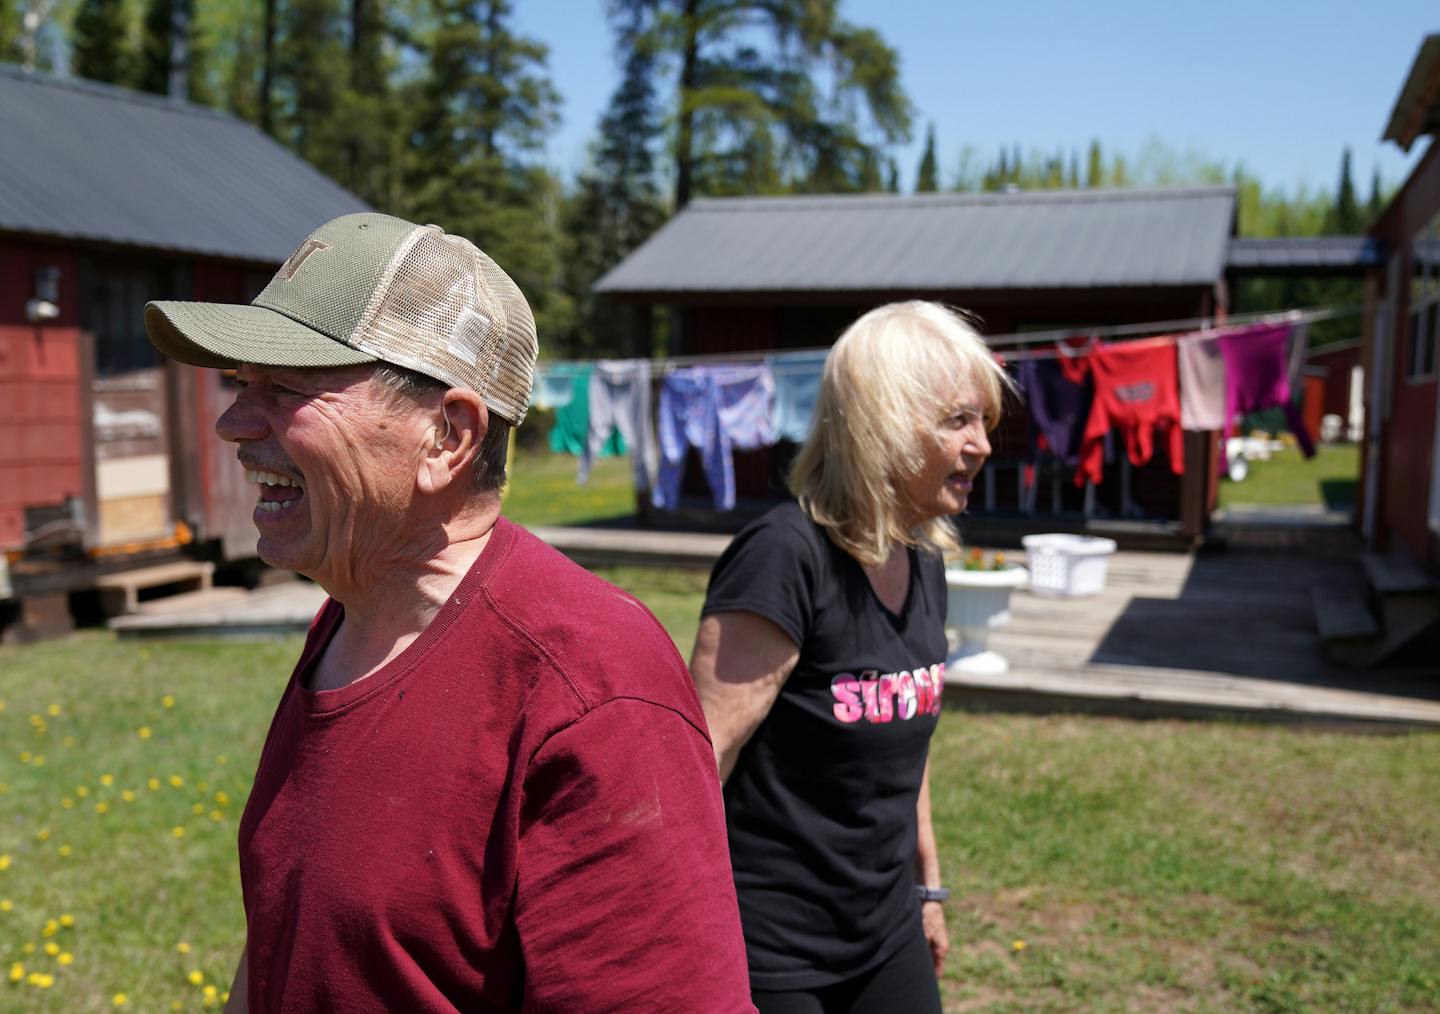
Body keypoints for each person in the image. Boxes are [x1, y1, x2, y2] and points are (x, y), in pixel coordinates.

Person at [144, 212, 754, 1013]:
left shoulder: (589, 683)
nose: (234, 424)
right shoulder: (354, 620)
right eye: (240, 384)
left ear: (447, 434)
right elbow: (290, 938)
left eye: (287, 388)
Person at [689, 301, 1009, 1013]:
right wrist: (682, 938)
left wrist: (928, 890)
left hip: (884, 929)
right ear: (885, 424)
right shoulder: (783, 559)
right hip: (771, 947)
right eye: (959, 419)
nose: (982, 444)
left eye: (983, 421)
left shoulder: (923, 554)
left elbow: (906, 741)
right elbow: (694, 762)